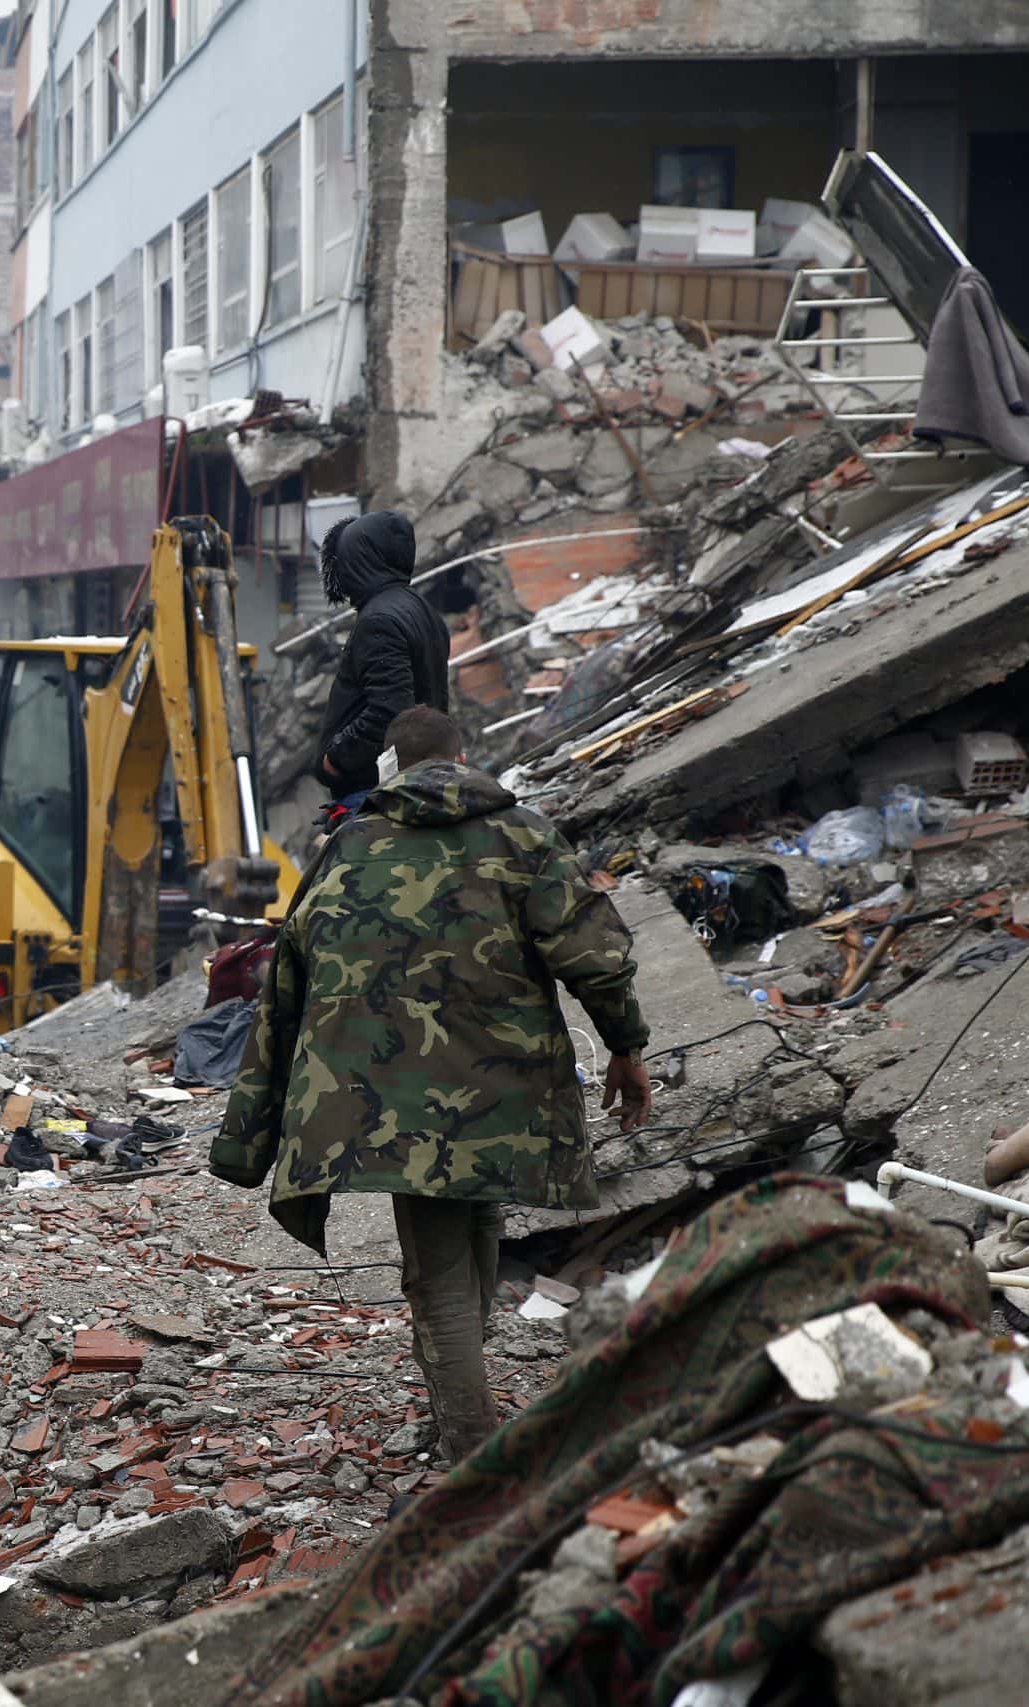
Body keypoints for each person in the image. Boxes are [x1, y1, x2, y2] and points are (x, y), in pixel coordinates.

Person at [210, 706, 651, 1461]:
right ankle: (469, 1432)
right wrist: (625, 1046)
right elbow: (594, 954)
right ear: (463, 753)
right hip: (501, 1085)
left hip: (376, 1097)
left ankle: (468, 1440)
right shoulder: (522, 834)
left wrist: (256, 1122)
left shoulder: (348, 845)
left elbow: (285, 979)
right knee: (464, 1237)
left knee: (450, 1255)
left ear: (392, 763)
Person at [313, 510, 448, 833]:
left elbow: (390, 711)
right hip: (415, 785)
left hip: (378, 795)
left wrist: (338, 757)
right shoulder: (422, 611)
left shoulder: (379, 620)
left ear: (360, 560)